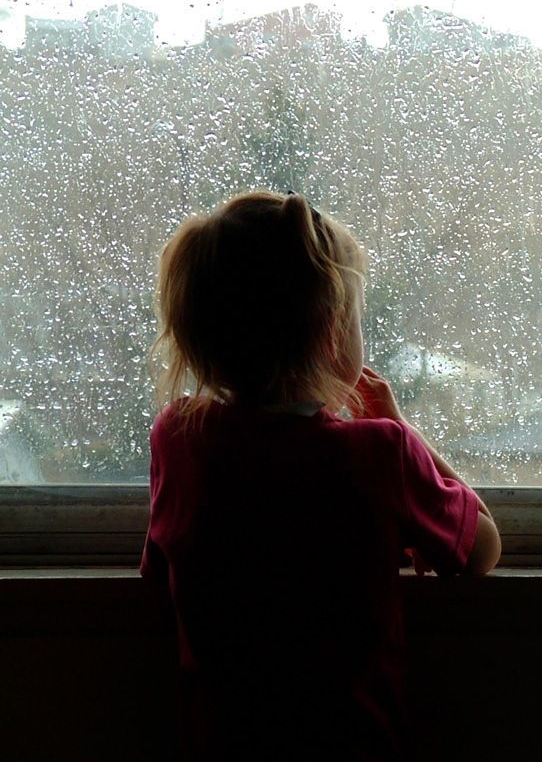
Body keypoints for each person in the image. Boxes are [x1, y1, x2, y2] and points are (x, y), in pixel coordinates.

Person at [140, 191, 501, 760]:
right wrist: (402, 425)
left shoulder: (177, 440)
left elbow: (158, 572)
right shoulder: (378, 452)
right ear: (331, 331)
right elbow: (481, 547)